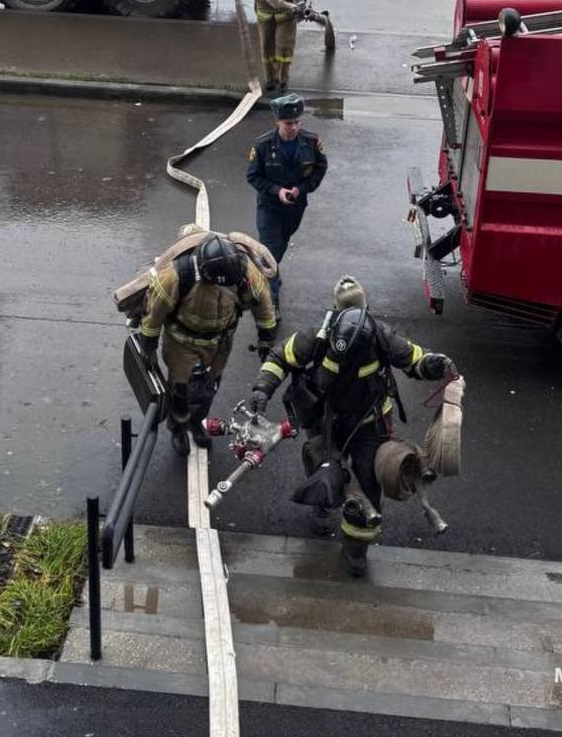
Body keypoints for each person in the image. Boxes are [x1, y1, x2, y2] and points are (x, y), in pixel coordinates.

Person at [248, 277, 455, 575]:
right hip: (327, 421)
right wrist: (262, 388)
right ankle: (322, 503)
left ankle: (356, 549)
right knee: (323, 467)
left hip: (369, 424)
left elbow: (414, 360)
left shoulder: (382, 335)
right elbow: (280, 357)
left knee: (369, 484)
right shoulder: (316, 337)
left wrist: (432, 365)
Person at [139, 232, 278, 456]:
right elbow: (153, 314)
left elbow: (264, 305)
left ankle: (197, 422)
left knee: (209, 387)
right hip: (180, 343)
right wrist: (148, 346)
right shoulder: (176, 276)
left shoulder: (244, 273)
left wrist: (266, 338)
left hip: (219, 342)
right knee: (180, 389)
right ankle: (178, 427)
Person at [247, 92, 327, 309]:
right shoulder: (263, 145)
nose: (292, 127)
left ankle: (269, 274)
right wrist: (277, 190)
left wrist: (301, 189)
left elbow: (320, 168)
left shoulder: (310, 142)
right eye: (287, 123)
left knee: (279, 248)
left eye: (296, 122)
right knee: (270, 252)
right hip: (269, 207)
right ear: (278, 122)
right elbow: (253, 176)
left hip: (295, 209)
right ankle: (271, 308)